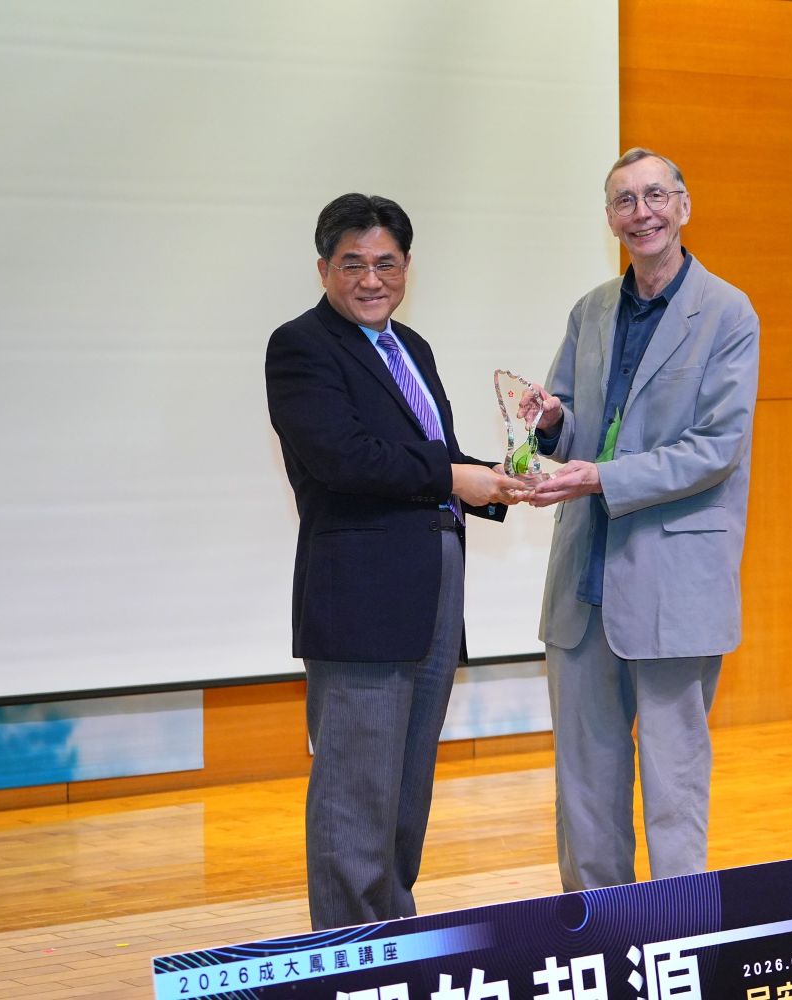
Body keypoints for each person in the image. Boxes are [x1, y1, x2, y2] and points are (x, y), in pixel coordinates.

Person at [265, 193, 524, 930]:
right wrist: (454, 477)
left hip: (433, 593)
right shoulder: (301, 346)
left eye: (386, 263)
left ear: (407, 266)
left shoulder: (412, 346)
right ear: (324, 268)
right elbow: (345, 458)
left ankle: (396, 946)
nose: (371, 279)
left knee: (405, 801)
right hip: (361, 606)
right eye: (353, 264)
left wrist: (505, 477)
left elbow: (432, 457)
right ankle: (348, 958)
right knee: (354, 803)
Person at [520, 148, 760, 891]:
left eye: (655, 195)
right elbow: (574, 427)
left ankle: (678, 936)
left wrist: (604, 475)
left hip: (674, 584)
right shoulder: (590, 310)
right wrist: (553, 423)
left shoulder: (728, 312)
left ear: (684, 206)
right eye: (624, 201)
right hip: (584, 585)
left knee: (672, 788)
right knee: (584, 793)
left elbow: (716, 449)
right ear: (610, 219)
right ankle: (598, 935)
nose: (642, 212)